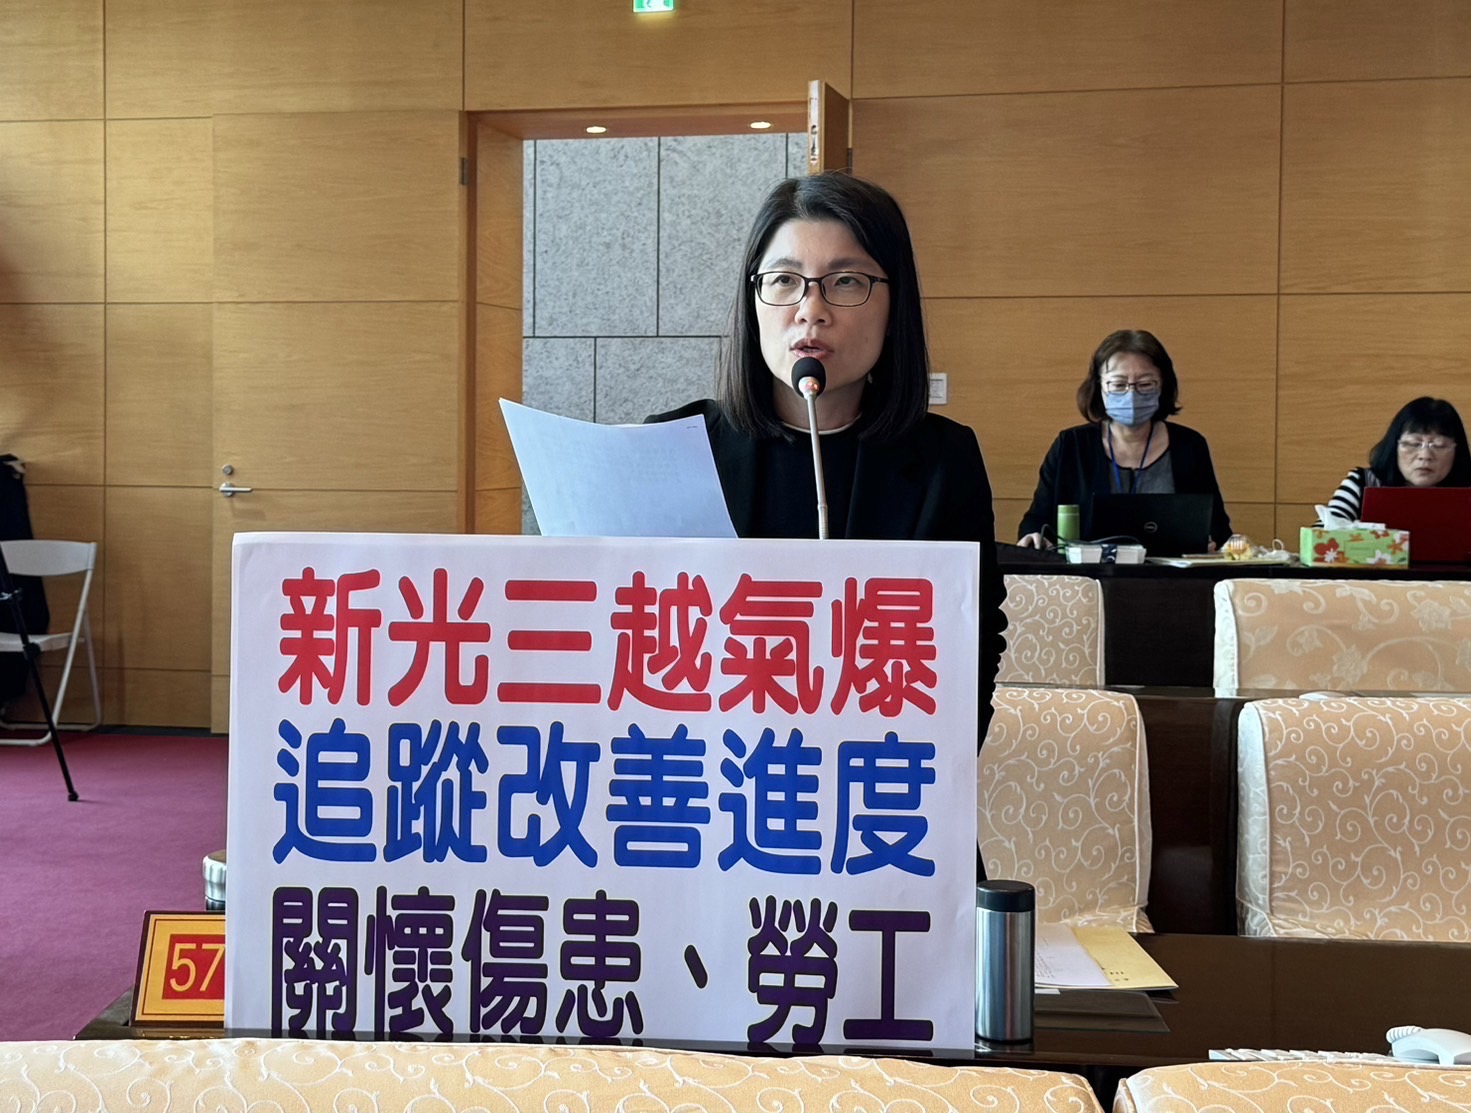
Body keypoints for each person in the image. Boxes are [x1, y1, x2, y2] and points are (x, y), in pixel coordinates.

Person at [648, 171, 1007, 737]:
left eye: (845, 282)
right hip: (699, 771)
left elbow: (972, 643)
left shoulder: (944, 460)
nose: (810, 310)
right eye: (784, 280)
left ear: (894, 306)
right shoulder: (672, 448)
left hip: (877, 772)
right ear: (752, 300)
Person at [1016, 329, 1231, 549]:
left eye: (1145, 384)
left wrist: (1212, 543)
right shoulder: (1071, 445)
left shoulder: (1190, 446)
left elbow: (1218, 528)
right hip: (1090, 570)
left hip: (1169, 570)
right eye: (1118, 385)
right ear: (1099, 386)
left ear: (1163, 385)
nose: (1131, 395)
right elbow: (1036, 521)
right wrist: (1034, 535)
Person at [1319, 396, 1471, 523]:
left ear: (1457, 451)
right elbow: (1322, 536)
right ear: (1395, 446)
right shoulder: (1363, 483)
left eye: (1439, 445)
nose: (1425, 455)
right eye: (1414, 443)